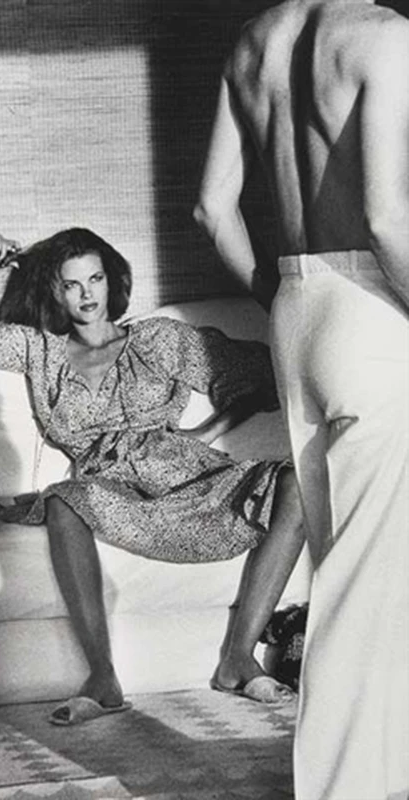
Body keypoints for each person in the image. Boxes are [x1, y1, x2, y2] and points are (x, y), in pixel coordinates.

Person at [0, 227, 304, 723]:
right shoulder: (40, 351)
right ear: (55, 292)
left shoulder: (159, 339)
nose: (86, 294)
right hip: (109, 485)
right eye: (71, 284)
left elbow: (267, 370)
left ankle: (238, 658)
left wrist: (206, 431)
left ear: (111, 281)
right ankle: (102, 677)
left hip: (189, 475)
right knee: (62, 501)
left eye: (94, 279)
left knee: (295, 485)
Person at [194, 2, 408, 799]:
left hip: (296, 306)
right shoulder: (384, 38)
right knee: (366, 577)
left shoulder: (254, 40)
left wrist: (287, 297)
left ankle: (377, 773)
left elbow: (211, 209)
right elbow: (385, 216)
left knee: (349, 562)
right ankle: (343, 786)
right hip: (372, 307)